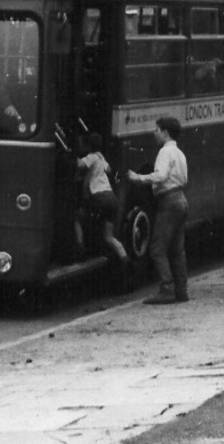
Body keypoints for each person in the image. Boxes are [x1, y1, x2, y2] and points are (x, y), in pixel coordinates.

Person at [127, 116, 189, 305]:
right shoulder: (179, 153)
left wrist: (138, 178)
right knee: (177, 249)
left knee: (157, 248)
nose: (154, 133)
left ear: (165, 133)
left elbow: (161, 175)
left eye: (156, 130)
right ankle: (181, 290)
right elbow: (185, 178)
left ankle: (167, 289)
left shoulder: (164, 152)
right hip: (181, 199)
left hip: (168, 201)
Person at [73, 133, 129, 266]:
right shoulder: (101, 158)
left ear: (88, 146)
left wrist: (72, 152)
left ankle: (80, 249)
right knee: (109, 237)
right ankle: (126, 261)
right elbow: (108, 170)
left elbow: (79, 165)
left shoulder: (91, 157)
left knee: (78, 217)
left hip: (99, 197)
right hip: (112, 199)